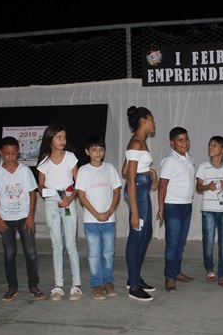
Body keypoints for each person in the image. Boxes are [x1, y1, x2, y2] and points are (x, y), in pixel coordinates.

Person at [0, 136, 45, 301]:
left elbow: (32, 193)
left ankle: (34, 285)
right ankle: (12, 286)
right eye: (7, 154)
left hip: (24, 218)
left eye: (13, 153)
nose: (10, 156)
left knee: (31, 253)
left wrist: (31, 216)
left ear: (18, 152)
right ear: (0, 153)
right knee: (10, 253)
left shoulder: (24, 171)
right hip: (5, 219)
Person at [36, 123, 82, 301]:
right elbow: (41, 184)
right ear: (50, 139)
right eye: (58, 137)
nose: (63, 140)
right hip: (52, 204)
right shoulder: (44, 161)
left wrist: (69, 199)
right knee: (57, 245)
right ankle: (58, 285)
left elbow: (78, 182)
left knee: (70, 244)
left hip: (68, 202)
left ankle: (76, 284)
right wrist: (46, 192)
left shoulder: (70, 157)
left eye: (64, 137)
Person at [75, 134, 122, 300]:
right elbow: (81, 195)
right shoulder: (83, 170)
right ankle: (96, 284)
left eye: (101, 149)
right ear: (87, 151)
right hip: (91, 220)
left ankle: (108, 281)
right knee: (94, 253)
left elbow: (116, 190)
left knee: (108, 252)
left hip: (109, 219)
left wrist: (110, 211)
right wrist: (95, 214)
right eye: (94, 149)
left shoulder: (110, 168)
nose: (98, 153)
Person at [124, 106, 158, 302]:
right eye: (152, 119)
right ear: (143, 121)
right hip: (137, 193)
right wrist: (134, 213)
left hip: (143, 191)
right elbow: (129, 179)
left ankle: (134, 277)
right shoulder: (136, 143)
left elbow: (125, 169)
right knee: (137, 236)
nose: (154, 123)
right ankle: (134, 286)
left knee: (146, 234)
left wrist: (149, 172)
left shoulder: (140, 143)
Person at [157, 127, 196, 293]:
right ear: (172, 143)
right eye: (180, 140)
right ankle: (169, 278)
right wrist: (161, 208)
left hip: (187, 205)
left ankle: (177, 272)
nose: (185, 143)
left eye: (186, 139)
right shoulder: (169, 161)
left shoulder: (189, 158)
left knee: (181, 242)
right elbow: (162, 186)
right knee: (172, 244)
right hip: (172, 206)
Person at [195, 135, 223, 289]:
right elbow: (198, 187)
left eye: (215, 145)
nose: (210, 147)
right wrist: (207, 187)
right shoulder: (203, 166)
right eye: (209, 144)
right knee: (208, 242)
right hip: (208, 211)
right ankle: (209, 269)